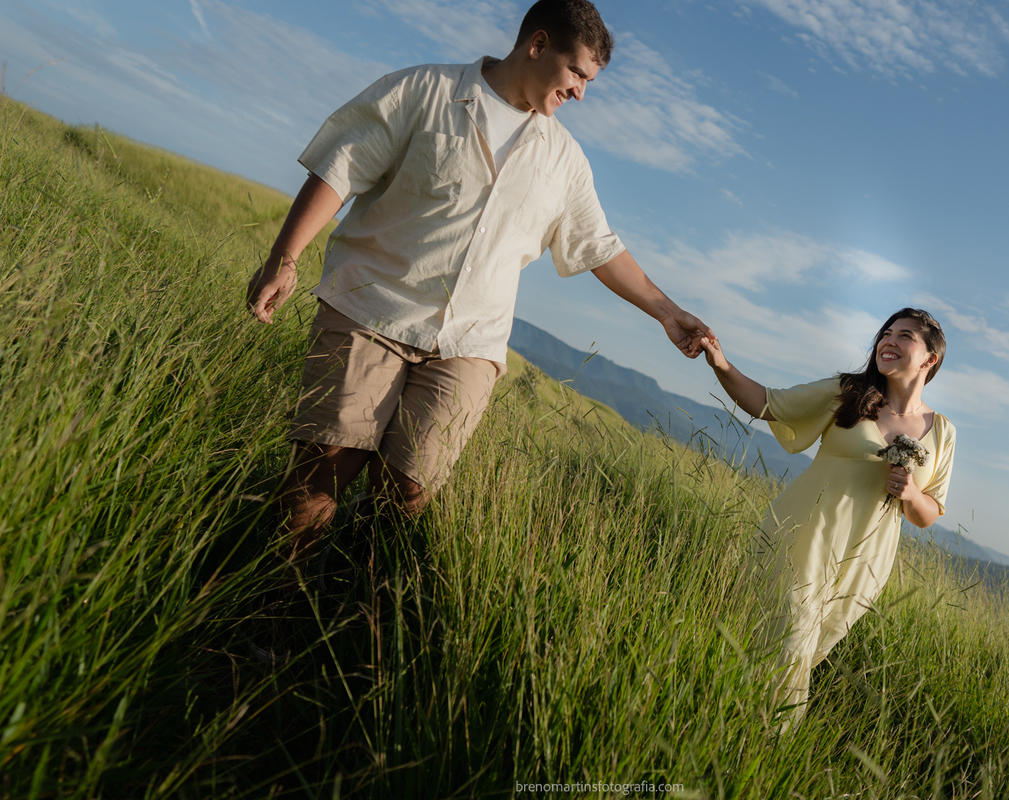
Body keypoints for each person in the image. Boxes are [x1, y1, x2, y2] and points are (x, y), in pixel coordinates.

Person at [244, 0, 712, 564]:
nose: (582, 94)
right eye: (577, 74)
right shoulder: (425, 90)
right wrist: (285, 257)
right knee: (324, 471)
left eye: (590, 82)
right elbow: (340, 166)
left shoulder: (564, 159)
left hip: (468, 342)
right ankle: (272, 602)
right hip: (371, 309)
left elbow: (599, 246)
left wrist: (667, 311)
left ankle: (358, 604)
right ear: (537, 45)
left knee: (409, 491)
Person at [698, 308, 955, 724]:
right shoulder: (848, 392)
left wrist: (910, 492)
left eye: (904, 336)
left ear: (930, 359)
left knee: (807, 649)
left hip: (865, 560)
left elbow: (928, 513)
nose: (887, 341)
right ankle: (768, 743)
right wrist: (721, 363)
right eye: (885, 333)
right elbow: (766, 403)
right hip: (806, 535)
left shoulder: (942, 430)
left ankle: (728, 716)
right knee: (789, 641)